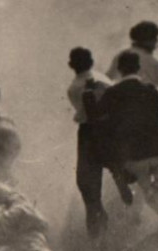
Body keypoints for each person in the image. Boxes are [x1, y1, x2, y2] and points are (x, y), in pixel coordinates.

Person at [92, 50, 158, 226]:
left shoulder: (111, 94)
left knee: (147, 190)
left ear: (120, 70)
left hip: (133, 154)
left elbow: (101, 121)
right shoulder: (151, 90)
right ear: (138, 69)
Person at [67, 46, 119, 237]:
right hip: (111, 130)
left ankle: (96, 221)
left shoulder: (74, 88)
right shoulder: (105, 80)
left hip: (90, 133)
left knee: (86, 182)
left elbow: (83, 113)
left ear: (72, 65)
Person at [107, 21, 158, 90]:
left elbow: (109, 77)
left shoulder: (121, 55)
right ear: (147, 41)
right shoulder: (152, 61)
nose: (156, 41)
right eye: (154, 39)